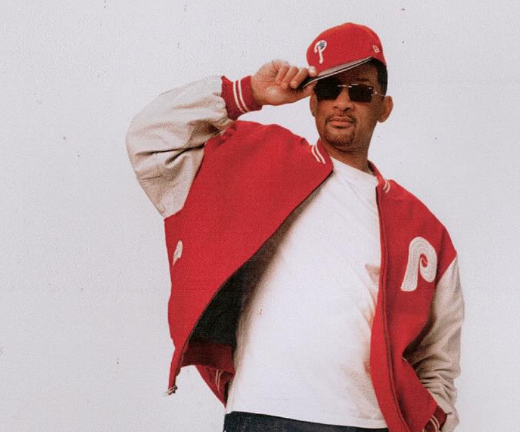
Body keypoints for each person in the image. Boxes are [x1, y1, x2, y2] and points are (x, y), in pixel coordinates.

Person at [126, 23, 464, 432]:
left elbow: (438, 358)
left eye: (360, 91)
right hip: (262, 412)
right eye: (330, 89)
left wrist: (432, 423)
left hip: (367, 422)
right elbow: (149, 139)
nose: (343, 103)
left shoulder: (422, 229)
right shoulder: (256, 159)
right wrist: (247, 92)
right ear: (312, 101)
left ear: (384, 107)